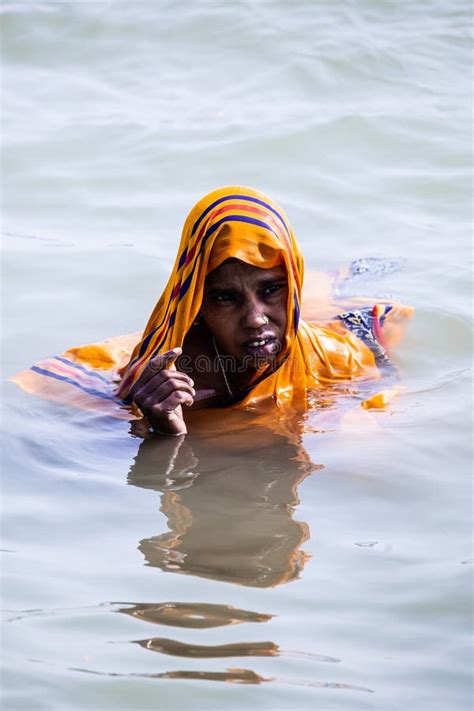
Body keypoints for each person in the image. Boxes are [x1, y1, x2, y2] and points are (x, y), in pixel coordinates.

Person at [11, 185, 412, 433]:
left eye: (273, 289)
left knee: (332, 300)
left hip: (349, 326)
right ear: (196, 302)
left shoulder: (338, 354)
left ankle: (347, 273)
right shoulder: (160, 377)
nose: (255, 317)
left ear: (291, 285)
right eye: (225, 297)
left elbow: (381, 389)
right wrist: (162, 429)